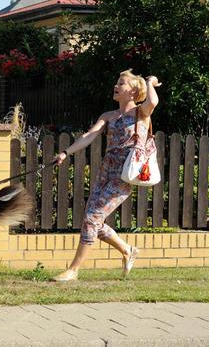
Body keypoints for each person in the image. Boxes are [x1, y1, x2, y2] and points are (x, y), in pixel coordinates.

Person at [51, 69, 162, 282]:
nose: (116, 86)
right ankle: (128, 250)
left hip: (124, 175)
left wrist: (150, 82)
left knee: (93, 217)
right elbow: (89, 135)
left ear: (133, 92)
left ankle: (73, 270)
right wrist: (66, 153)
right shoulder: (108, 116)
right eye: (117, 82)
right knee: (93, 220)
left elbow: (153, 102)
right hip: (105, 172)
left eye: (121, 83)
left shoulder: (141, 113)